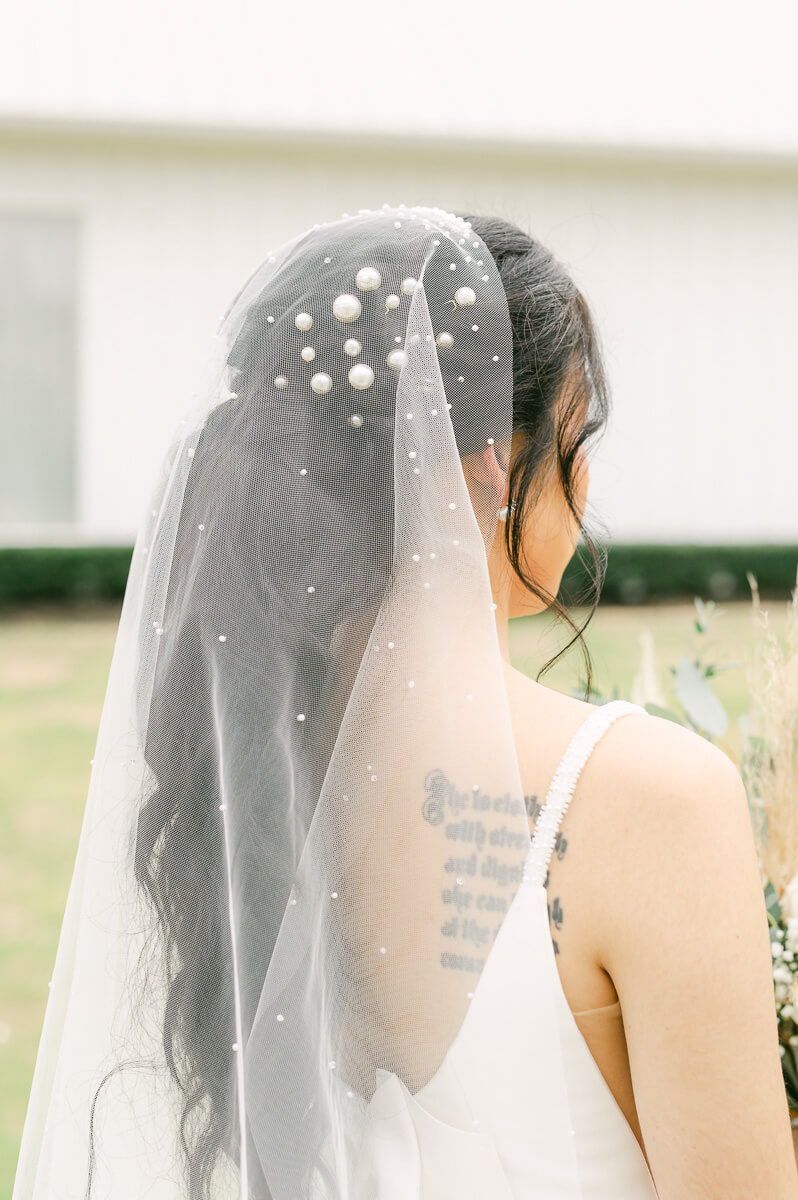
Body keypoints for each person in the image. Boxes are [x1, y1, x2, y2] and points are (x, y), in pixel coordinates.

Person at [11, 204, 797, 1199]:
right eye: (575, 436)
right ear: (491, 472)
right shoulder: (657, 802)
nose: (589, 479)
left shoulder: (253, 774)